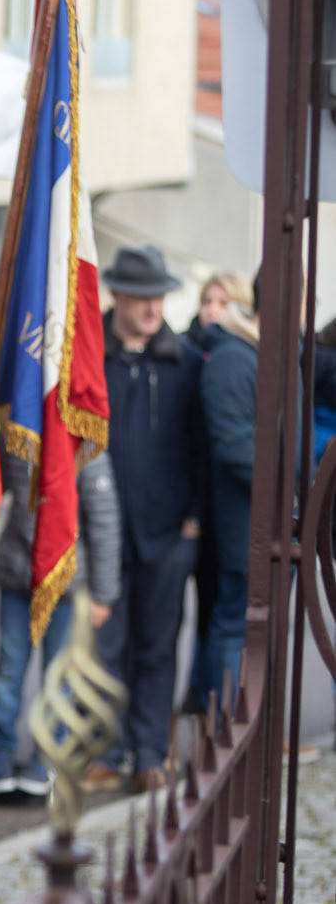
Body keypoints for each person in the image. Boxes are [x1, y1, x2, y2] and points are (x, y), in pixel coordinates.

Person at [98, 244, 205, 795]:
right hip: (104, 534)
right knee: (105, 647)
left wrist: (194, 518)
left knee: (158, 647)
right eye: (141, 296)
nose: (151, 307)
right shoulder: (88, 353)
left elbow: (204, 446)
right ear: (117, 293)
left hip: (168, 535)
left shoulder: (185, 362)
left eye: (158, 296)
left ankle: (149, 754)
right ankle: (109, 753)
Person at [0, 443, 121, 804]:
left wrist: (104, 593)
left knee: (57, 676)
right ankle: (0, 753)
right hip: (19, 575)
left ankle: (48, 757)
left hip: (66, 582)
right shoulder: (19, 431)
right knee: (8, 671)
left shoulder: (86, 444)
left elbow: (104, 517)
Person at [197, 287, 259, 705]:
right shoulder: (235, 357)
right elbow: (234, 444)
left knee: (247, 624)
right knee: (235, 623)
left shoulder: (252, 351)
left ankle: (239, 724)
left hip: (259, 517)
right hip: (246, 522)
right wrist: (289, 490)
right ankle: (225, 726)